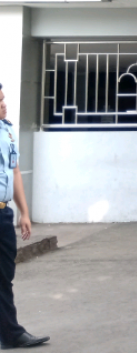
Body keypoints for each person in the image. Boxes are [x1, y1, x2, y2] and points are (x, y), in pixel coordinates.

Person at [0, 83, 49, 349]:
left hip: (3, 214)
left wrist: (24, 212)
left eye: (3, 99)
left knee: (4, 276)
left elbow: (15, 172)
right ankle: (12, 333)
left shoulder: (6, 131)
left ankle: (10, 334)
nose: (4, 104)